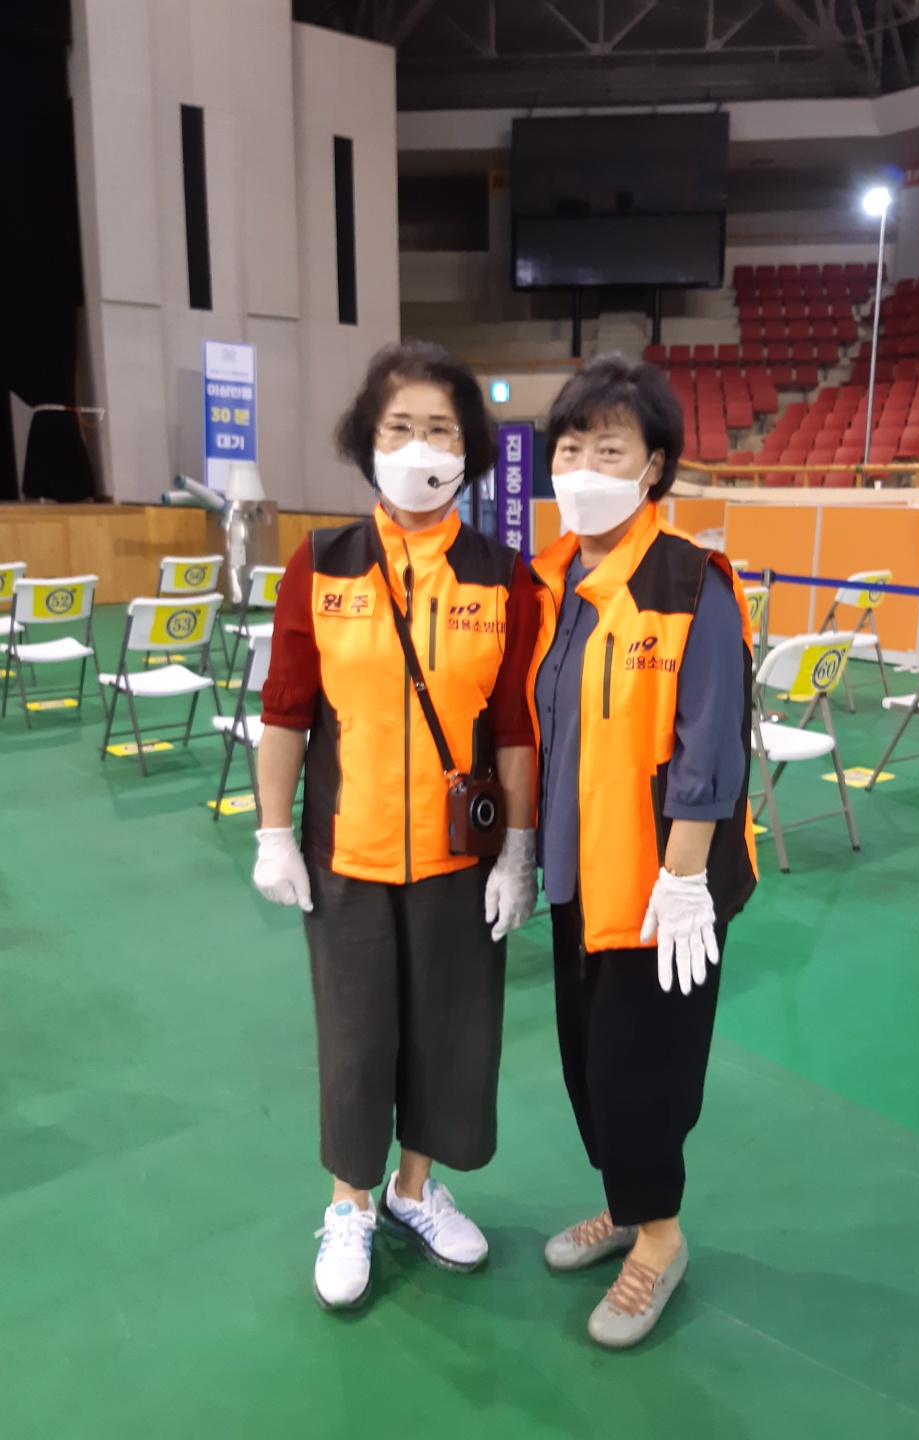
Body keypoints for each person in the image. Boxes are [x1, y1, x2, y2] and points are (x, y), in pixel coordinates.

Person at [253, 340, 539, 1313]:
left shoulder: (503, 576)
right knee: (356, 1035)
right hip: (349, 852)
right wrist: (273, 832)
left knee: (449, 1030)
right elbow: (286, 711)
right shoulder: (322, 564)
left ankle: (415, 1190)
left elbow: (516, 727)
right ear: (367, 441)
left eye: (441, 430)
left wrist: (519, 852)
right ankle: (351, 1204)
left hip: (460, 858)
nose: (421, 447)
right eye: (401, 427)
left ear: (469, 449)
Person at [529, 354, 757, 1349]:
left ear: (655, 466)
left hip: (663, 892)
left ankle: (659, 1239)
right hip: (577, 878)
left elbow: (710, 748)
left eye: (610, 450)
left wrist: (684, 877)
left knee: (641, 1075)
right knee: (588, 1067)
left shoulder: (690, 583)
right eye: (571, 448)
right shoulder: (554, 582)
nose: (585, 468)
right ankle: (626, 1207)